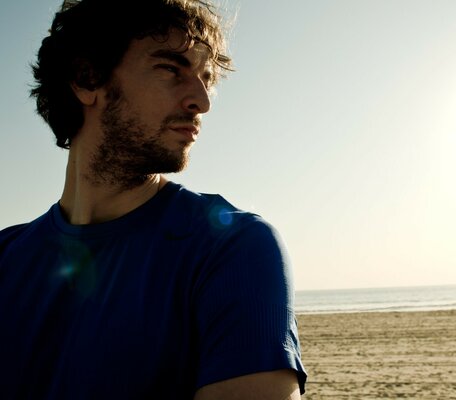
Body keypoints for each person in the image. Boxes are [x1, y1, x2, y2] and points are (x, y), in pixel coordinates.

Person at [0, 0, 307, 398]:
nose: (202, 101)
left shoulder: (230, 248)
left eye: (206, 79)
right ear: (87, 78)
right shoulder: (7, 259)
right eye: (171, 70)